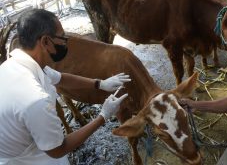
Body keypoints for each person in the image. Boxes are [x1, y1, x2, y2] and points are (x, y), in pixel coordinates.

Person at [0, 9, 131, 165]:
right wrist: (103, 116)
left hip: (24, 140)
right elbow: (58, 149)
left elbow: (61, 78)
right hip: (28, 159)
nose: (65, 42)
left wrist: (100, 83)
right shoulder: (36, 100)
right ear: (45, 42)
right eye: (63, 37)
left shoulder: (16, 65)